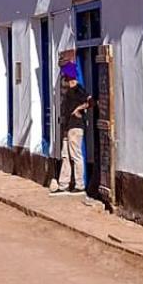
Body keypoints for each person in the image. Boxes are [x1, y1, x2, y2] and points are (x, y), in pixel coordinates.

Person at [50, 62, 91, 195]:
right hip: (68, 127)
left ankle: (80, 184)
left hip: (76, 126)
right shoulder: (67, 92)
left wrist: (78, 109)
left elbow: (91, 101)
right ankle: (64, 184)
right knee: (65, 155)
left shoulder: (79, 89)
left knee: (75, 155)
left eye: (64, 76)